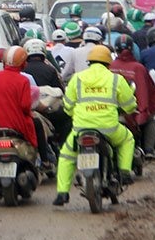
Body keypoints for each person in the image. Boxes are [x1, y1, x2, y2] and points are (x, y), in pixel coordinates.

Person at [53, 46, 138, 206]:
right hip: (109, 129)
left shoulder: (77, 78)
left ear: (89, 61)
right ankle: (125, 172)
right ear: (108, 62)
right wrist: (127, 108)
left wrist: (76, 115)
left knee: (66, 155)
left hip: (81, 129)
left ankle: (62, 193)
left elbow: (68, 106)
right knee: (127, 139)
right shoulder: (115, 79)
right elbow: (129, 106)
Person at [108, 34, 155, 158]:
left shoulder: (110, 67)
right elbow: (147, 90)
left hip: (110, 109)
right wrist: (144, 109)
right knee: (150, 120)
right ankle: (149, 149)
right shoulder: (139, 68)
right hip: (132, 109)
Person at [0, 46, 41, 152]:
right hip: (17, 124)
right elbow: (25, 106)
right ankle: (45, 161)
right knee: (37, 124)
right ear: (23, 63)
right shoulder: (23, 80)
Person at [23, 38, 72, 143]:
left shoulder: (22, 70)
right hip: (47, 109)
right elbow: (60, 90)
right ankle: (62, 145)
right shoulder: (50, 69)